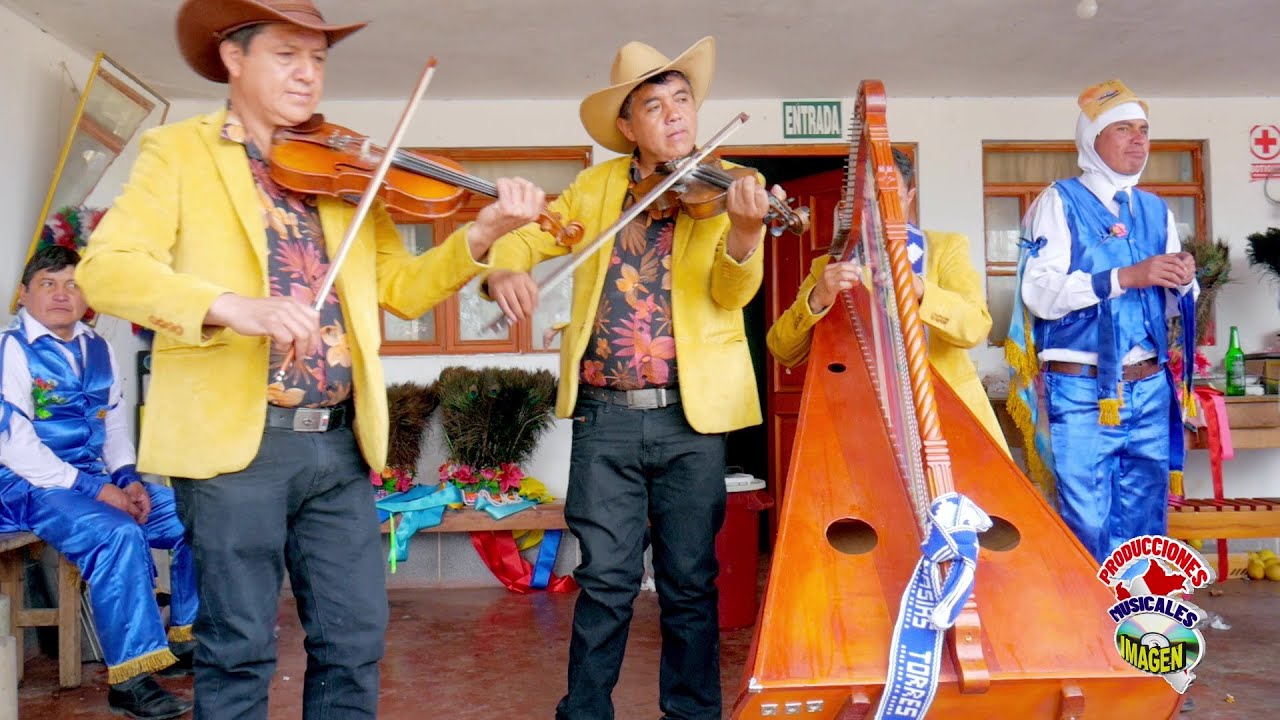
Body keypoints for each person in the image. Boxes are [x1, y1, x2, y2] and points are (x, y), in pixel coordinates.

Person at [76, 1, 547, 717]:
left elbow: (404, 289)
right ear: (234, 58)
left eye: (319, 59)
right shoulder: (179, 153)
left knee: (355, 640)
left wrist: (480, 233)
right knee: (237, 651)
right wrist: (231, 305)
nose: (308, 74)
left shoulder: (344, 166)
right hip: (237, 448)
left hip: (339, 441)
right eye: (287, 55)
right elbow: (106, 270)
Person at [481, 36, 784, 720]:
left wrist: (742, 235)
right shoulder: (597, 186)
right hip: (605, 417)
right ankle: (584, 712)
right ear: (628, 126)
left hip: (690, 419)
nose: (676, 115)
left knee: (689, 583)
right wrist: (505, 264)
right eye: (655, 105)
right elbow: (532, 235)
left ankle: (693, 712)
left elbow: (734, 292)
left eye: (683, 100)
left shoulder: (732, 184)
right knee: (607, 581)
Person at [1005, 79, 1198, 564]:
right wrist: (1124, 276)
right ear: (1092, 139)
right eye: (1124, 129)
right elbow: (1040, 293)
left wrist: (1182, 280)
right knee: (1086, 514)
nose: (1139, 140)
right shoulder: (1059, 201)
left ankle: (1140, 622)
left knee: (1147, 510)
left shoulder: (1155, 209)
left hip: (1150, 381)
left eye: (1144, 130)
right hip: (1083, 386)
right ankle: (1087, 625)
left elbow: (1171, 303)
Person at [0, 246, 195, 720]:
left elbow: (111, 429)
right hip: (26, 485)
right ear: (24, 294)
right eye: (49, 283)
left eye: (73, 284)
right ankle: (129, 680)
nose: (62, 294)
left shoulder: (98, 347)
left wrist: (128, 479)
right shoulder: (10, 349)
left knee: (196, 512)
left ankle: (186, 637)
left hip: (93, 479)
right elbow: (15, 445)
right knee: (118, 532)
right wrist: (98, 490)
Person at [766, 148, 1011, 455]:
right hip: (862, 431)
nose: (874, 208)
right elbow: (782, 349)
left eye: (887, 195)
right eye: (863, 199)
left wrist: (920, 289)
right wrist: (817, 299)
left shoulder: (945, 248)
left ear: (909, 196)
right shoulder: (828, 267)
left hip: (949, 424)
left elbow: (975, 328)